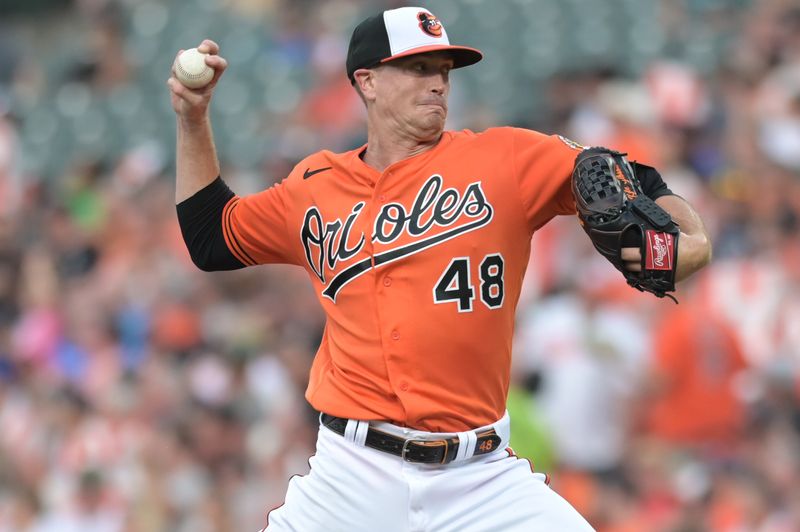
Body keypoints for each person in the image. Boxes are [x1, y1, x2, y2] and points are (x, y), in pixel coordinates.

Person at [167, 6, 712, 531]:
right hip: (351, 474)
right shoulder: (314, 185)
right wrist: (193, 119)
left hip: (481, 478)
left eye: (443, 71)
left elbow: (628, 177)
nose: (438, 83)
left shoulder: (504, 159)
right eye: (418, 67)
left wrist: (691, 243)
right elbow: (210, 238)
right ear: (367, 81)